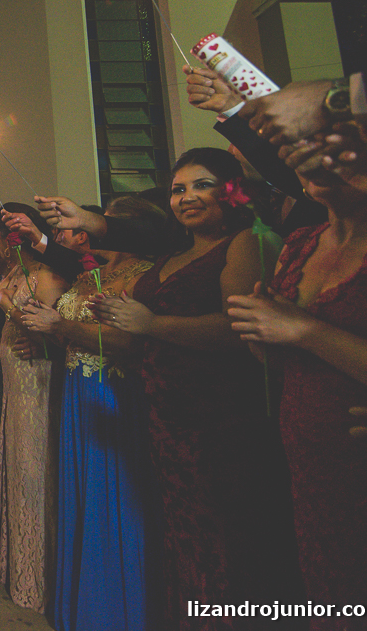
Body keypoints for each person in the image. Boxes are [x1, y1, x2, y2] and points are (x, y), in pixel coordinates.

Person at [54, 148, 304, 629]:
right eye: (178, 189)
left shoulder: (244, 244)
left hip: (220, 420)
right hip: (165, 418)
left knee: (227, 545)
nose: (188, 197)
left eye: (202, 185)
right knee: (181, 539)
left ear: (231, 190)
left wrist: (152, 324)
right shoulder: (173, 252)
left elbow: (241, 329)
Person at [227, 165, 367, 627]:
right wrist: (259, 337)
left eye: (328, 144)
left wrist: (304, 330)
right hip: (309, 462)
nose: (313, 160)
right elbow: (287, 365)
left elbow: (305, 337)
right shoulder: (300, 242)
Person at [20, 196, 166, 631]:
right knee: (78, 493)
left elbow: (131, 341)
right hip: (75, 390)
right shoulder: (92, 274)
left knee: (112, 495)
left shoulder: (143, 276)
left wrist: (58, 327)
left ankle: (112, 609)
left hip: (111, 393)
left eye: (110, 220)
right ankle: (78, 601)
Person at [0, 203, 69, 613]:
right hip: (14, 382)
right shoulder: (12, 274)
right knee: (14, 466)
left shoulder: (44, 273)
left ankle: (37, 571)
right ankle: (16, 562)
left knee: (32, 470)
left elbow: (41, 327)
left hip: (34, 381)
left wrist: (10, 306)